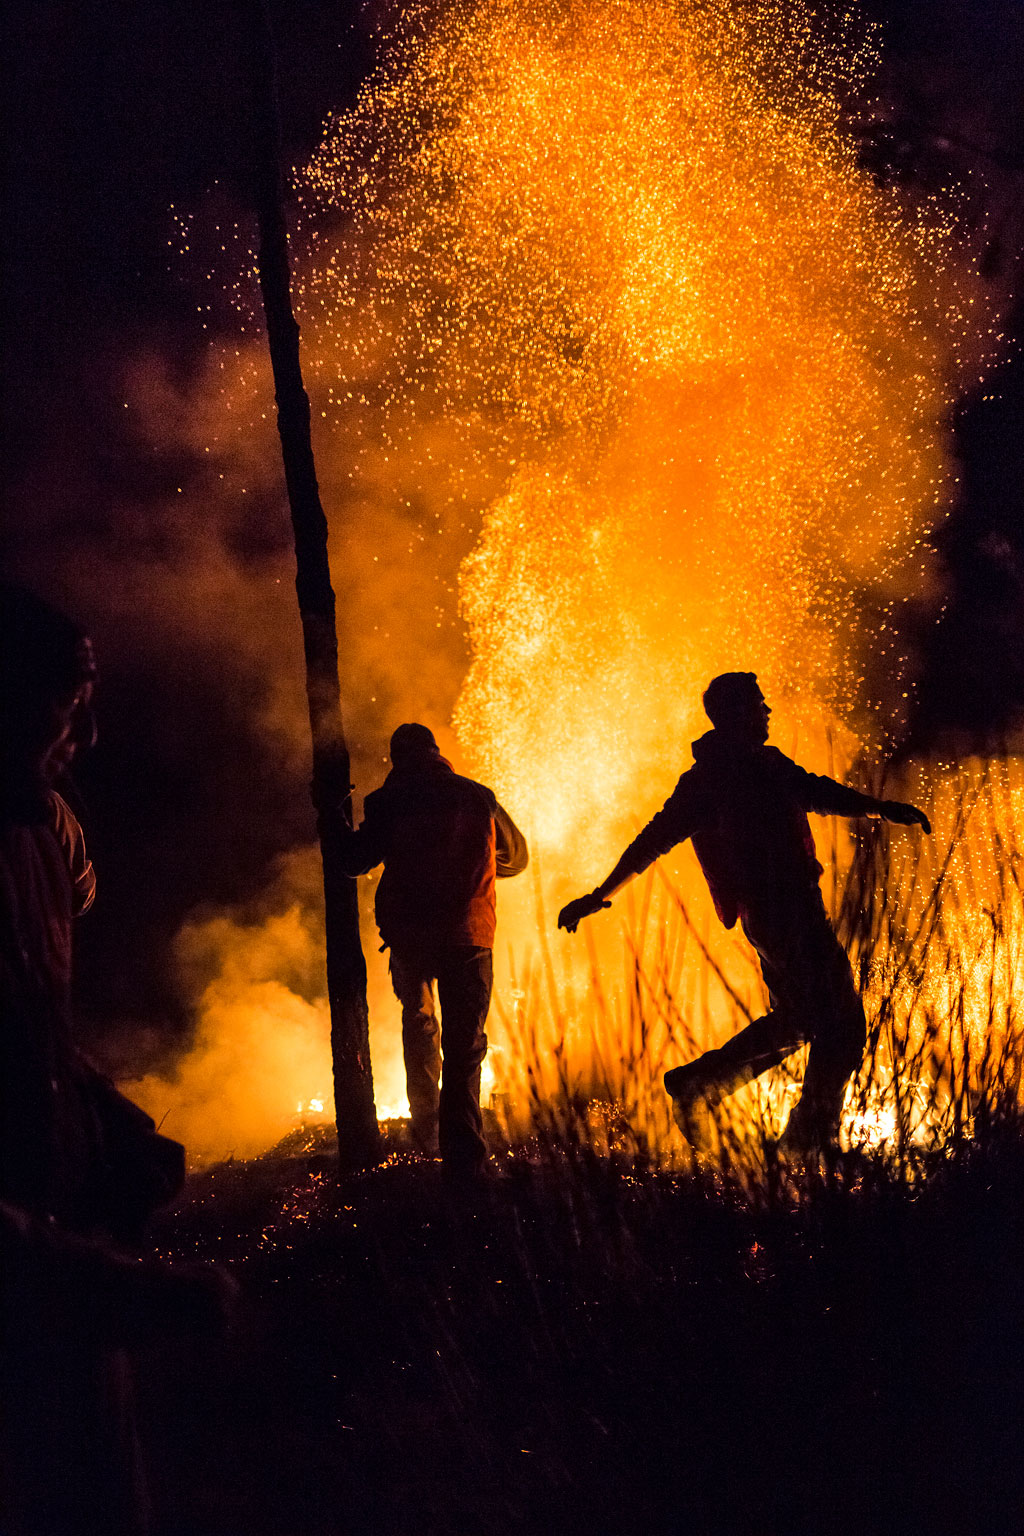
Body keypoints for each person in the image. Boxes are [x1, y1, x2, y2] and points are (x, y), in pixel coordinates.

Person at [0, 583, 235, 1535]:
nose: (86, 737)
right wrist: (108, 1286)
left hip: (63, 1282)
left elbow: (31, 1015)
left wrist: (99, 1113)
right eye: (68, 701)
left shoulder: (41, 829)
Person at [557, 672, 931, 1155]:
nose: (767, 711)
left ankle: (705, 1085)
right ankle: (805, 1137)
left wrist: (879, 808)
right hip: (783, 912)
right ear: (734, 714)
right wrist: (600, 893)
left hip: (783, 910)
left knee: (799, 1021)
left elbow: (815, 791)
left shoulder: (760, 763)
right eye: (758, 704)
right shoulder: (712, 778)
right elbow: (655, 839)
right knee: (841, 1026)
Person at [338, 723, 528, 1176]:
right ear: (436, 752)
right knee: (466, 1048)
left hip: (412, 937)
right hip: (469, 933)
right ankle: (464, 1161)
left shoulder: (388, 801)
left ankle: (426, 1136)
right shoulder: (477, 795)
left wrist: (334, 816)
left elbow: (353, 860)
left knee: (420, 1027)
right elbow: (516, 857)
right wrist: (476, 863)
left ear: (396, 759)